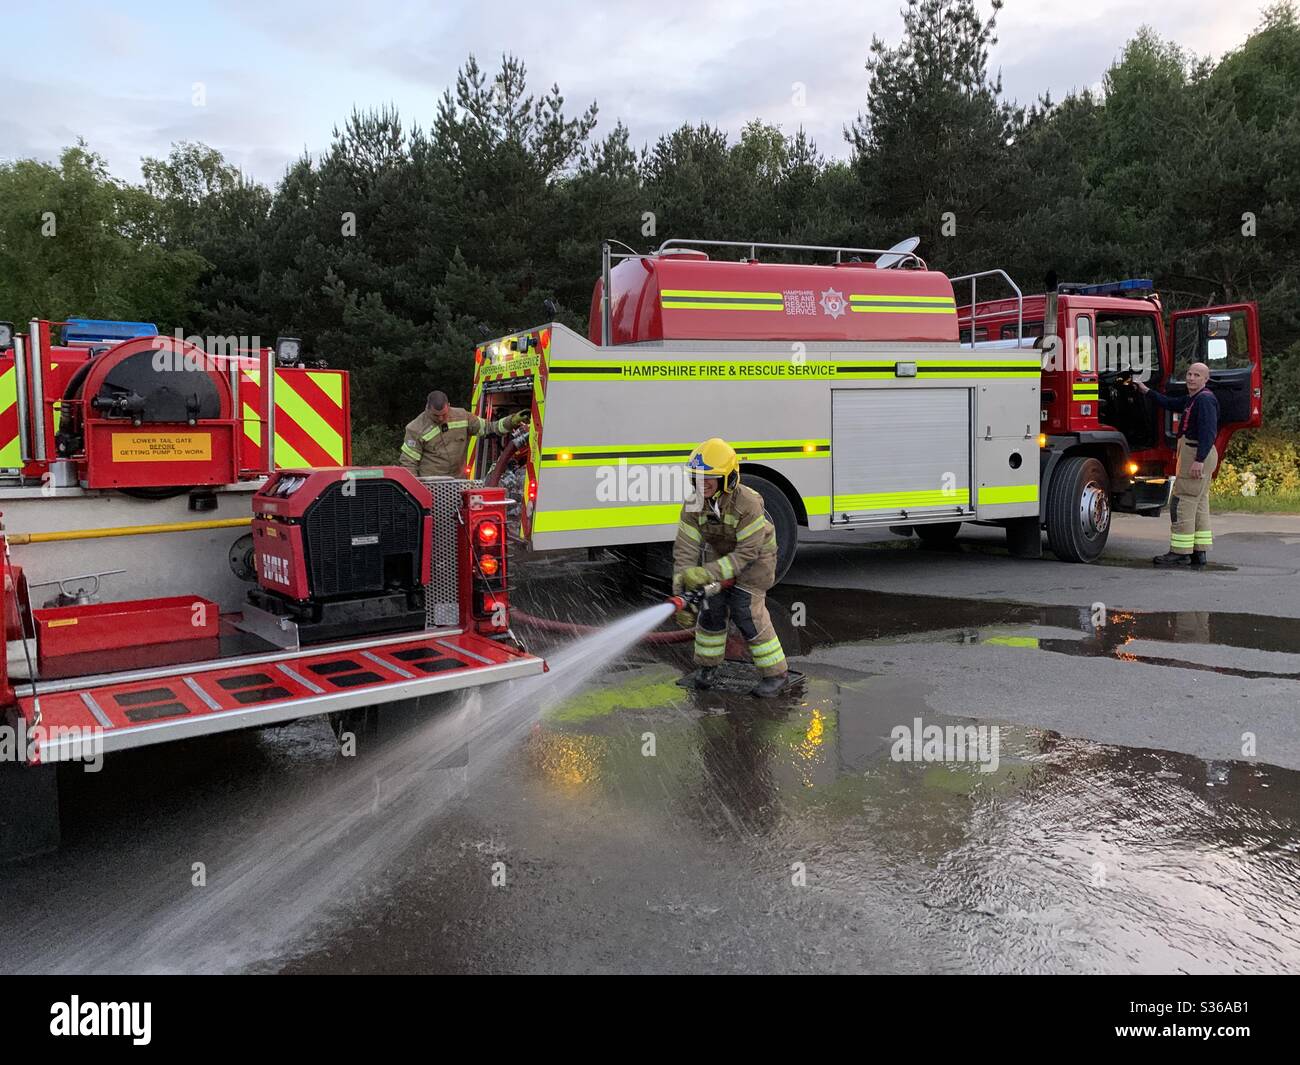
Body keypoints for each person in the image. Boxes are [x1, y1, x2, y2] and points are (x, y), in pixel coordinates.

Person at [672, 437, 791, 697]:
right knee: (710, 608)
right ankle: (707, 668)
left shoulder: (748, 503)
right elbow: (685, 549)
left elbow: (747, 552)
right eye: (697, 478)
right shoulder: (694, 504)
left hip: (757, 560)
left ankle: (776, 673)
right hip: (720, 558)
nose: (701, 484)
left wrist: (707, 573)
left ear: (728, 479)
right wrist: (682, 591)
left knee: (745, 610)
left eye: (709, 479)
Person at [1131, 362, 1218, 567]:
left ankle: (1180, 552)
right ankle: (1199, 551)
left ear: (1206, 379)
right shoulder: (1194, 399)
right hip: (1197, 452)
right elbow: (1170, 403)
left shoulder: (1204, 400)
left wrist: (1199, 460)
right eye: (1189, 373)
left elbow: (1208, 432)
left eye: (1197, 375)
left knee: (1183, 501)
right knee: (1199, 503)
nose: (1191, 378)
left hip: (1197, 452)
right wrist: (1147, 391)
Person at [399, 391, 527, 478]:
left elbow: (489, 428)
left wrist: (512, 421)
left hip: (458, 482)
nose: (440, 418)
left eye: (444, 414)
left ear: (449, 405)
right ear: (427, 408)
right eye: (435, 415)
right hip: (431, 485)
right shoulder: (415, 429)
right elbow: (408, 464)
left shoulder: (462, 416)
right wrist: (416, 493)